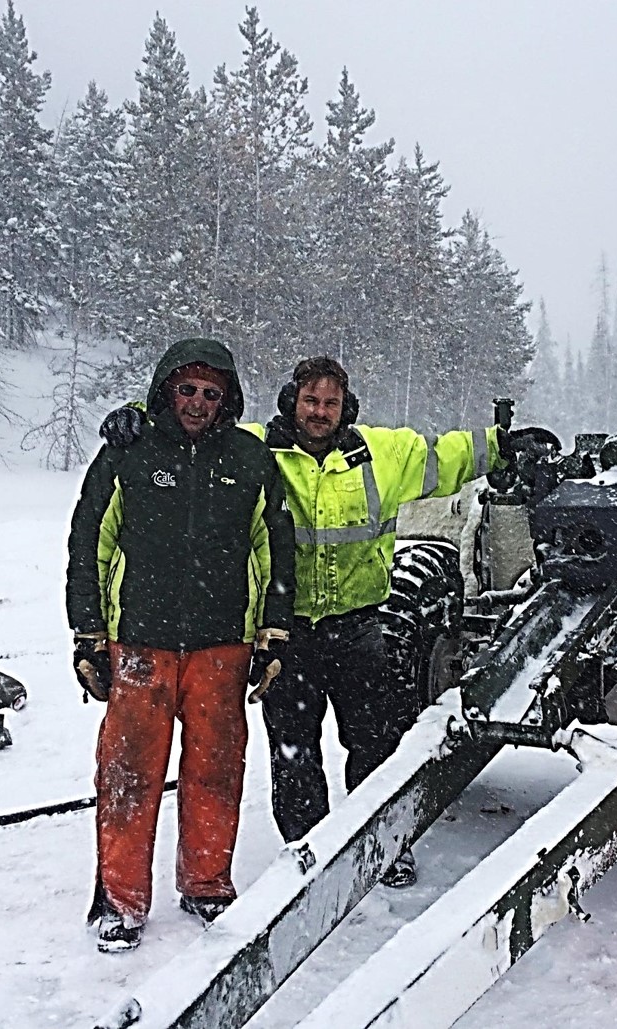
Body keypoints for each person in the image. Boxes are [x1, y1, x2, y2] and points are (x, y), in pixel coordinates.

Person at [101, 356, 543, 888]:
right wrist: (136, 417)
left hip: (360, 629)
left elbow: (446, 454)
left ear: (345, 407)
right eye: (311, 400)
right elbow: (194, 423)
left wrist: (503, 443)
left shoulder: (383, 453)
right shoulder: (255, 449)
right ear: (292, 400)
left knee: (377, 743)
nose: (320, 412)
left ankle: (385, 842)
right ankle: (310, 850)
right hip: (288, 635)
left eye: (331, 403)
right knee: (294, 752)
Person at [67, 338, 295, 953]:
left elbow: (275, 547)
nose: (197, 403)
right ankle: (118, 900)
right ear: (168, 388)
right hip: (138, 643)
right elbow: (90, 540)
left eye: (210, 393)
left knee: (217, 772)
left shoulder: (249, 459)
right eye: (187, 389)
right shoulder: (129, 451)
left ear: (227, 400)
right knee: (127, 776)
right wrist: (87, 636)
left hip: (223, 647)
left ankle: (207, 884)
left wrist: (273, 634)